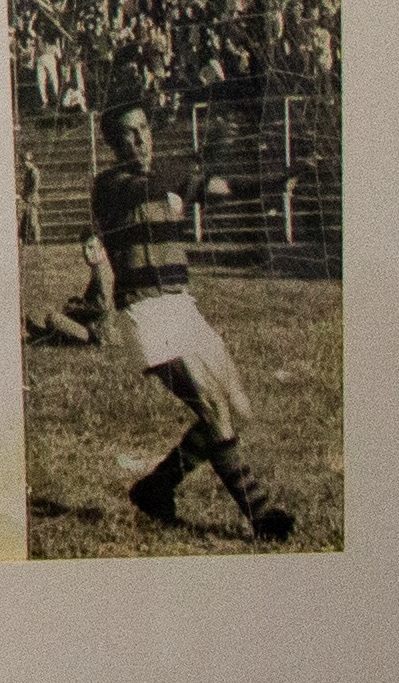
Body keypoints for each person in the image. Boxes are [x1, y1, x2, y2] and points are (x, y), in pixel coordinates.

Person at [89, 82, 297, 540]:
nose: (139, 141)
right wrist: (185, 177)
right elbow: (143, 188)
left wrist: (277, 180)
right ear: (113, 143)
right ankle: (262, 517)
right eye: (127, 135)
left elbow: (222, 187)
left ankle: (157, 487)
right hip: (145, 312)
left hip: (182, 306)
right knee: (211, 404)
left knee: (235, 409)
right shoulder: (108, 186)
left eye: (143, 130)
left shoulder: (168, 176)